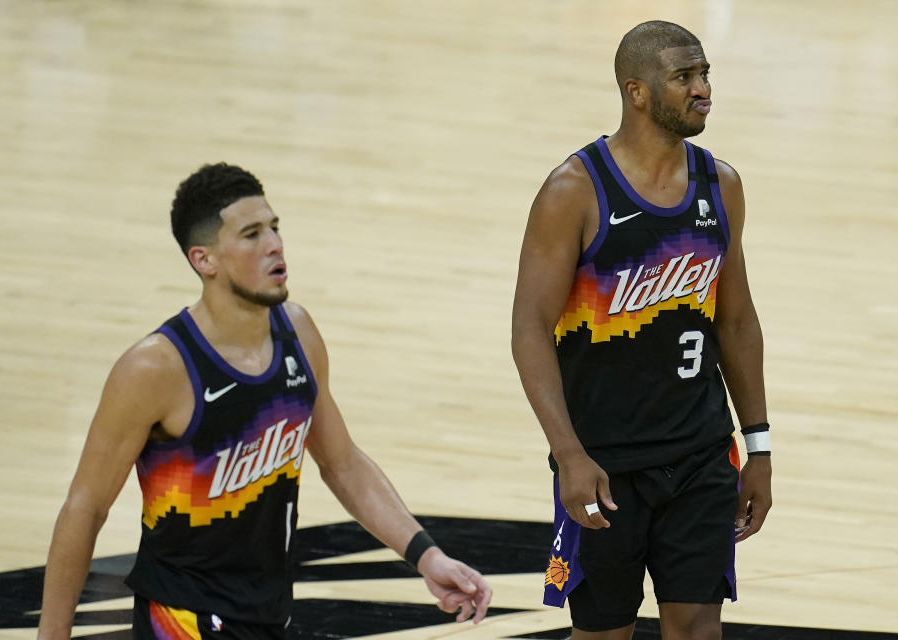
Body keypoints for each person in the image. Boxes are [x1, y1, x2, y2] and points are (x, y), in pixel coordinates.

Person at [37, 163, 492, 639]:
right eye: (252, 234)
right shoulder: (155, 369)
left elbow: (343, 463)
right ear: (204, 260)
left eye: (274, 228)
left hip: (269, 613)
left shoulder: (298, 333)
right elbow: (84, 508)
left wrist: (426, 555)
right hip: (181, 620)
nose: (275, 245)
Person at [511, 20, 772, 640]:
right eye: (685, 77)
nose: (703, 89)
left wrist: (757, 446)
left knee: (697, 630)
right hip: (606, 462)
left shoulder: (721, 185)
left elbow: (735, 320)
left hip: (701, 452)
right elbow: (528, 329)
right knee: (603, 633)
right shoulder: (574, 190)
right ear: (636, 91)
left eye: (705, 74)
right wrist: (569, 456)